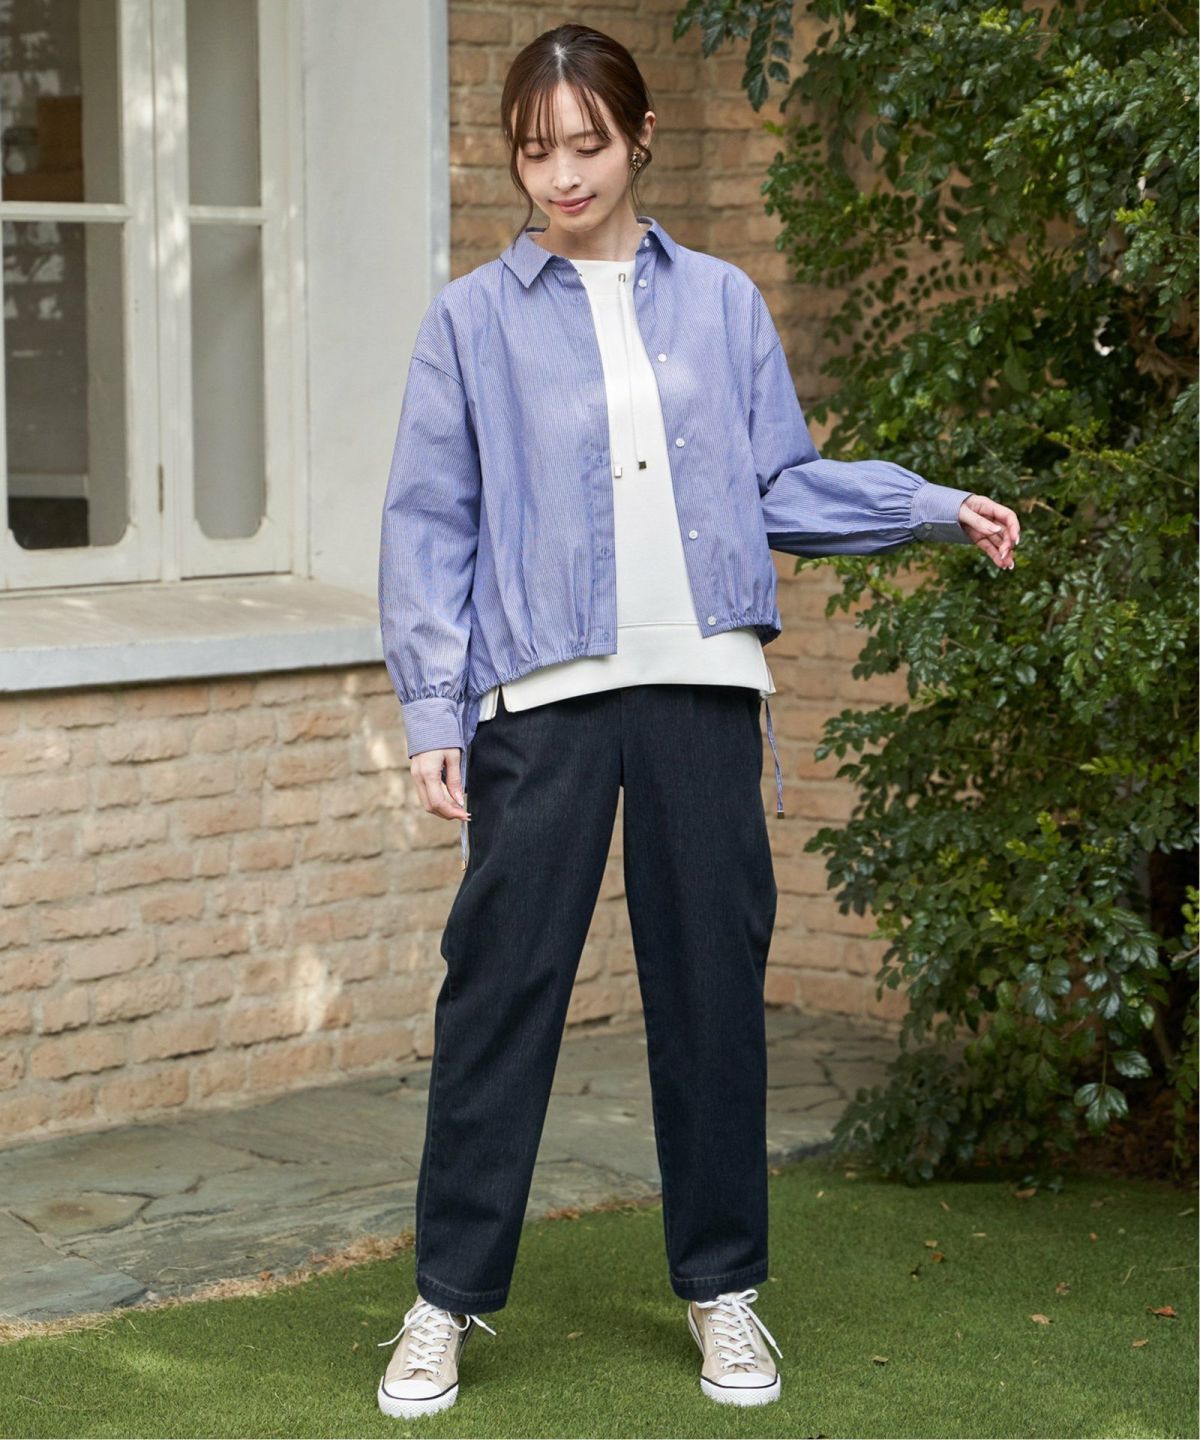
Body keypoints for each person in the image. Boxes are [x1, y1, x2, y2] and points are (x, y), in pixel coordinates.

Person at [375, 22, 1020, 1421]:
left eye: (587, 145)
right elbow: (431, 524)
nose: (562, 175)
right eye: (536, 151)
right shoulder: (470, 322)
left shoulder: (722, 303)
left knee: (712, 999)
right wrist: (432, 711)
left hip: (705, 689)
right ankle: (446, 1297)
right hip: (542, 700)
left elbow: (778, 481)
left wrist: (923, 508)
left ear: (640, 136)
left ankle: (723, 1290)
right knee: (500, 995)